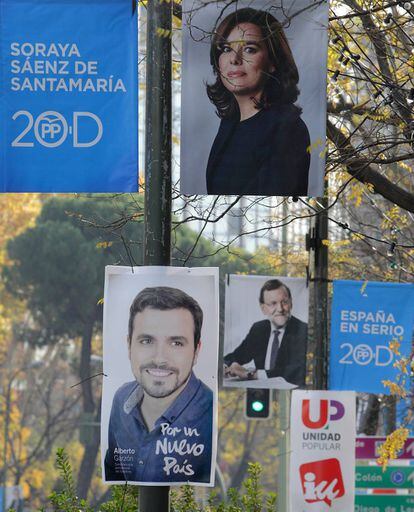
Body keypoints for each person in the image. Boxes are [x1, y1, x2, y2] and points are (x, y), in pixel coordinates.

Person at [104, 286, 213, 483]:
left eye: (176, 343)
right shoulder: (121, 400)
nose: (160, 358)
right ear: (129, 346)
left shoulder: (211, 413)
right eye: (146, 341)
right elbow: (115, 477)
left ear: (196, 351)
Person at [206, 8, 310, 196]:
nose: (234, 59)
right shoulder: (230, 124)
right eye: (227, 49)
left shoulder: (287, 128)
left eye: (249, 49)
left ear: (273, 62)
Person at [224, 279, 307, 386]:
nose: (280, 309)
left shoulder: (302, 330)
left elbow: (296, 371)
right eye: (273, 304)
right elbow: (237, 356)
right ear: (263, 308)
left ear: (291, 303)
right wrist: (226, 367)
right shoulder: (258, 329)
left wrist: (252, 374)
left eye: (284, 302)